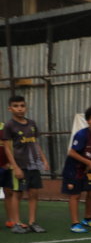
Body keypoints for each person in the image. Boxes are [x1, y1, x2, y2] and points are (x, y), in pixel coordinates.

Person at [3, 95, 51, 233]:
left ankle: (32, 222)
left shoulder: (32, 123)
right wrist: (15, 167)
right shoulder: (9, 125)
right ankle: (16, 223)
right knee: (17, 193)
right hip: (19, 165)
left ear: (26, 107)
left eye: (22, 106)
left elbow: (35, 143)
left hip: (33, 165)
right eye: (16, 106)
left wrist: (44, 159)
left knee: (34, 193)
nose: (20, 109)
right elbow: (7, 148)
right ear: (10, 108)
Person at [62, 106, 91, 233]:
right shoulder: (81, 134)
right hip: (73, 169)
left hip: (86, 169)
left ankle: (88, 219)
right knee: (75, 195)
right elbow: (72, 153)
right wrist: (90, 163)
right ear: (88, 120)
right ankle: (75, 224)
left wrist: (90, 166)